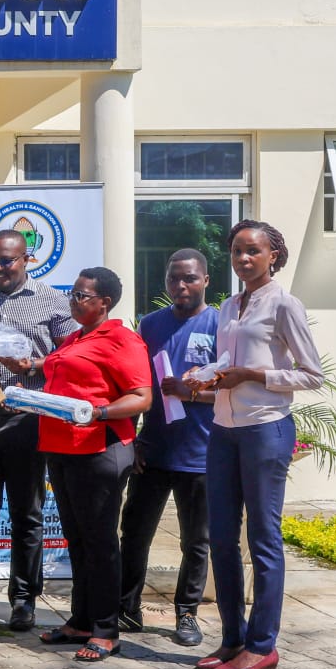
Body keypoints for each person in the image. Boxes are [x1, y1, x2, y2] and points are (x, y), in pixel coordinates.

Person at [193, 220, 323, 669]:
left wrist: (252, 376)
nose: (243, 259)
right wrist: (208, 374)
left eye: (253, 251)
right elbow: (231, 362)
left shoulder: (284, 304)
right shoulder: (228, 305)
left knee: (262, 540)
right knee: (222, 539)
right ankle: (233, 639)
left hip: (266, 429)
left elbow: (311, 374)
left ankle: (263, 645)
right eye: (236, 251)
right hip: (224, 429)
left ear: (273, 256)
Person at [0, 229, 78, 631]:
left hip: (29, 419)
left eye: (8, 260)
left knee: (27, 513)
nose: (0, 268)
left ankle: (24, 599)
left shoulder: (53, 300)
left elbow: (71, 355)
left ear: (27, 259)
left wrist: (36, 366)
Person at [36, 267, 152, 663]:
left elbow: (141, 397)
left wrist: (99, 413)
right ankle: (81, 621)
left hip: (98, 450)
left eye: (82, 295)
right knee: (78, 540)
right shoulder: (74, 338)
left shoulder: (122, 339)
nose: (73, 300)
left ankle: (106, 629)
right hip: (61, 447)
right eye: (72, 292)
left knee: (100, 543)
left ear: (105, 302)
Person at [118, 249, 217, 647]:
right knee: (135, 532)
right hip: (154, 451)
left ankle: (187, 613)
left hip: (203, 454)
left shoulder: (220, 323)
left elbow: (234, 389)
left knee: (196, 540)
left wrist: (193, 394)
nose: (181, 286)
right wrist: (135, 439)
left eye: (190, 278)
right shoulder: (150, 324)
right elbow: (137, 386)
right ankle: (127, 609)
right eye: (174, 278)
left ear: (206, 280)